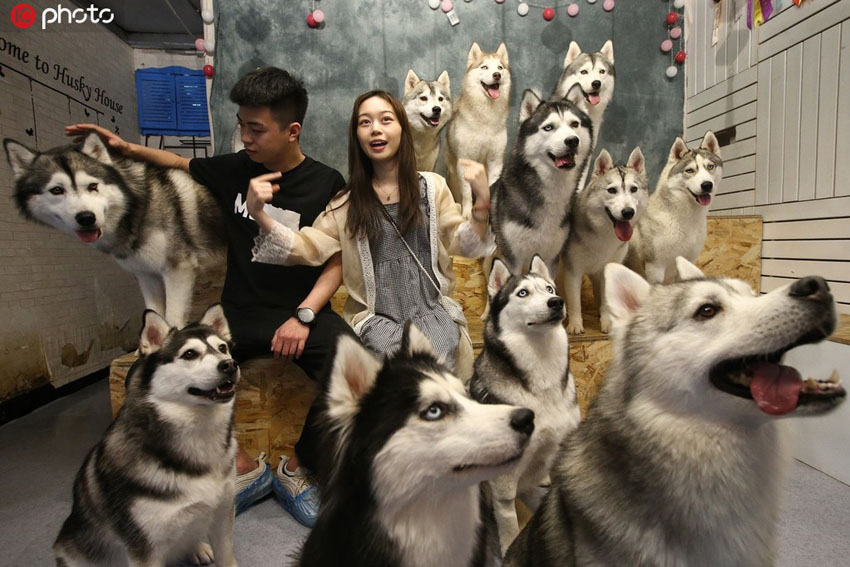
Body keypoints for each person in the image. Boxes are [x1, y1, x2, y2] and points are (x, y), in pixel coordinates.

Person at [66, 67, 353, 527]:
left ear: (291, 130)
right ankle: (245, 469)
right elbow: (180, 163)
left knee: (357, 373)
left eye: (255, 129)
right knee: (162, 370)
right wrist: (121, 148)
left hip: (299, 315)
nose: (246, 137)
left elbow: (336, 262)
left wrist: (303, 316)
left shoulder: (326, 181)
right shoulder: (236, 168)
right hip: (236, 317)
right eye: (241, 125)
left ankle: (296, 468)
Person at [247, 90, 493, 379]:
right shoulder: (346, 203)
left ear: (403, 128)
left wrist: (482, 202)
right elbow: (306, 247)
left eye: (386, 119)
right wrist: (259, 213)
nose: (375, 128)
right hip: (379, 322)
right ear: (357, 136)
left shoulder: (433, 187)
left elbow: (464, 243)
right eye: (365, 122)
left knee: (438, 375)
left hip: (432, 314)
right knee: (396, 385)